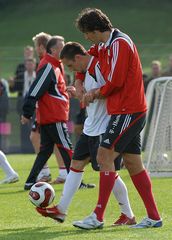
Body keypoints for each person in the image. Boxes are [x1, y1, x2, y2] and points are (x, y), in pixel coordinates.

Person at [69, 8, 162, 229]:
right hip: (122, 110)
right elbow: (86, 60)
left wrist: (93, 93)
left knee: (104, 155)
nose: (86, 38)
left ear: (94, 29)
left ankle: (97, 217)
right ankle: (154, 217)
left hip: (129, 110)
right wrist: (80, 81)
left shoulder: (120, 43)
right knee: (132, 163)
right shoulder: (103, 45)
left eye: (86, 33)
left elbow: (116, 82)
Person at [36, 42, 136, 226]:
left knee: (108, 171)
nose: (72, 70)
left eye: (71, 66)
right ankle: (61, 210)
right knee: (76, 164)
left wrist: (89, 93)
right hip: (91, 126)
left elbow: (113, 91)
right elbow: (91, 95)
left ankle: (127, 214)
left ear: (79, 58)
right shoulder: (85, 70)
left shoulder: (100, 66)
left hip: (104, 126)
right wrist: (78, 91)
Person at [21, 36, 73, 190]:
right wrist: (27, 112)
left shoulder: (55, 65)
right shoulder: (49, 66)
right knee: (67, 148)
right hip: (54, 117)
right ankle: (77, 181)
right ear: (53, 50)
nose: (64, 50)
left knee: (45, 152)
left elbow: (50, 91)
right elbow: (35, 90)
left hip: (52, 116)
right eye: (61, 47)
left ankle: (30, 182)